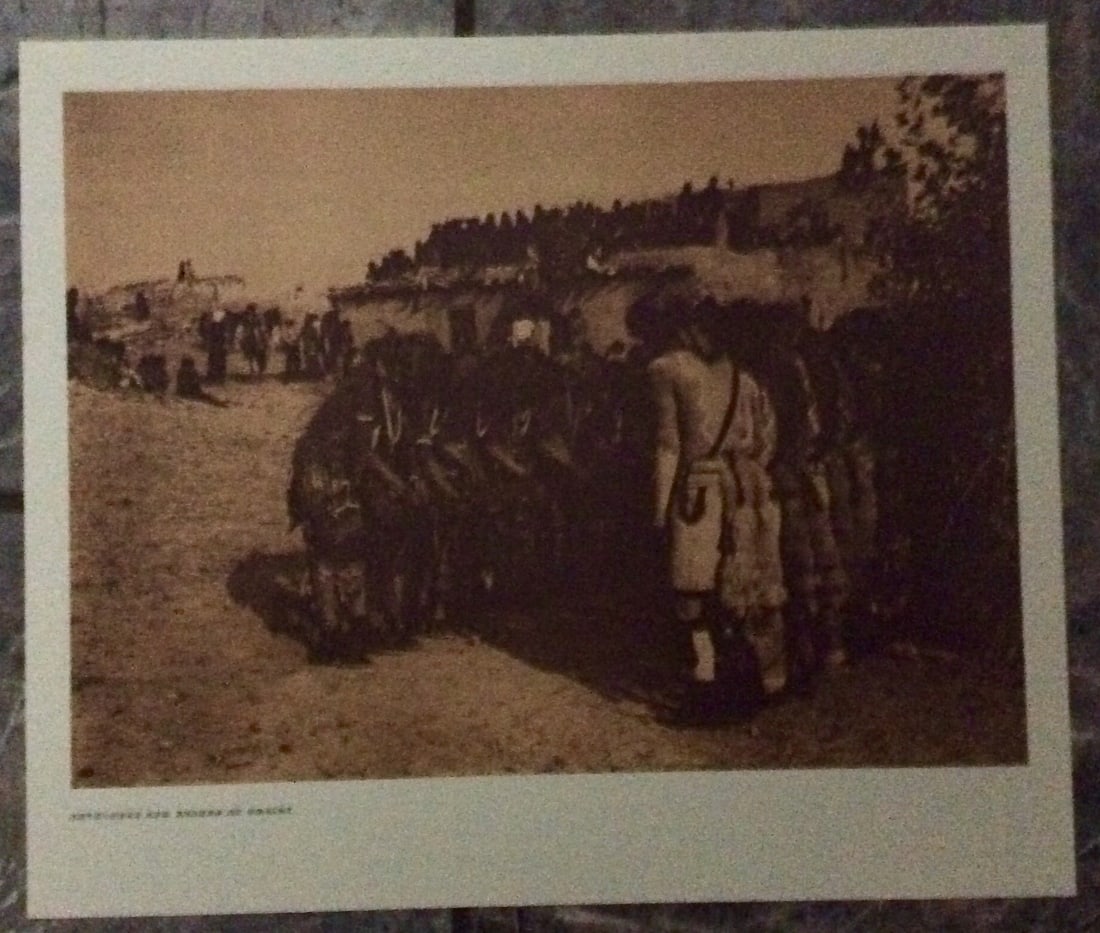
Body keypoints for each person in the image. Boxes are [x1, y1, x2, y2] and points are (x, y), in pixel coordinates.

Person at [647, 297, 786, 725]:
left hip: (698, 493)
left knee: (692, 595)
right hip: (747, 493)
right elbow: (767, 442)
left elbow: (668, 446)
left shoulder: (667, 369)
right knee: (742, 592)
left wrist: (658, 511)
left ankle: (706, 684)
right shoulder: (745, 377)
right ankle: (761, 680)